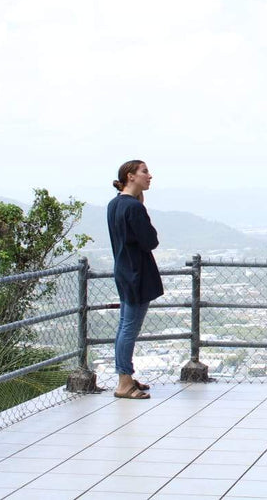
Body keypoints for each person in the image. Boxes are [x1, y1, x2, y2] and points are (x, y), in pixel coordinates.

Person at [107, 160, 164, 400]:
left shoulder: (114, 205)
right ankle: (123, 382)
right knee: (130, 328)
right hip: (137, 273)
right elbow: (150, 241)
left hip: (123, 270)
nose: (149, 176)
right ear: (130, 176)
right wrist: (142, 207)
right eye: (144, 172)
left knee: (124, 326)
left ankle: (126, 376)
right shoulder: (134, 207)